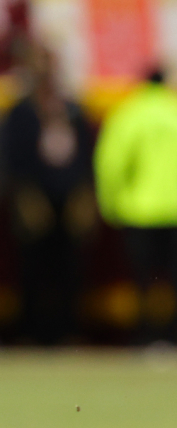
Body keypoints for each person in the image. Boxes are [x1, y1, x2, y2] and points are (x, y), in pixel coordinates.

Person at [94, 70, 177, 343]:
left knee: (143, 283)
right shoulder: (173, 111)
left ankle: (145, 338)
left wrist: (110, 206)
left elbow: (110, 165)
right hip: (173, 212)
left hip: (138, 212)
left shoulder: (128, 115)